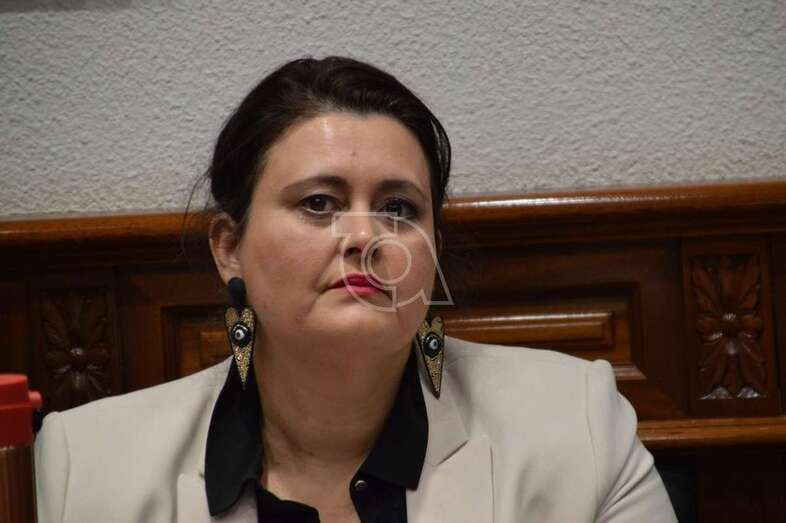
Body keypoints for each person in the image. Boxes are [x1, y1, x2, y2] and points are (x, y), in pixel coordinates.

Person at [34, 56, 677, 522]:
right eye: (319, 203)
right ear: (229, 247)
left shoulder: (577, 424)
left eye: (399, 209)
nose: (366, 236)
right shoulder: (84, 467)